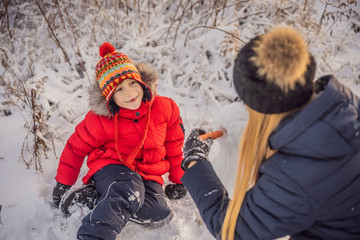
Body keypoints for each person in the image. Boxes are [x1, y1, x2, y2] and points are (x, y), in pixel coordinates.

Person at [180, 26, 360, 240]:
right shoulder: (346, 104)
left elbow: (232, 228)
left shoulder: (297, 175)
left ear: (263, 107)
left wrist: (195, 160)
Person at [52, 42, 187, 240]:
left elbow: (174, 146)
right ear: (110, 97)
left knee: (158, 213)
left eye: (132, 83)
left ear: (141, 81)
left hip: (148, 173)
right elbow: (75, 148)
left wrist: (178, 179)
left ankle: (92, 197)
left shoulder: (166, 108)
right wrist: (63, 183)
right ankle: (93, 235)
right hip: (111, 166)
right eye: (119, 89)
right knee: (129, 189)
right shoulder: (101, 118)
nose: (130, 93)